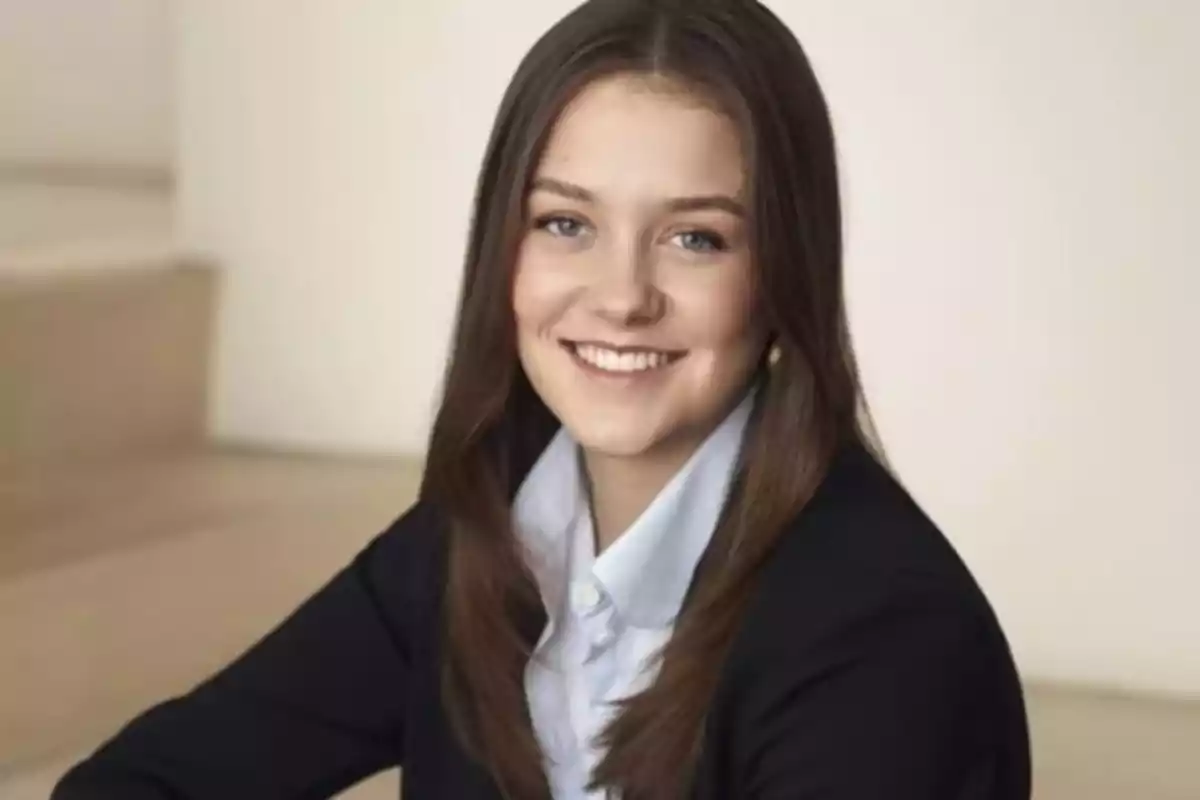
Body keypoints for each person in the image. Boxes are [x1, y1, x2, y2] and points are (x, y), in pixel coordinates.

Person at [53, 0, 1031, 798]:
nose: (621, 294)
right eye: (566, 222)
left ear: (784, 275)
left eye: (695, 238)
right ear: (502, 253)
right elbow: (149, 781)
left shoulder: (883, 635)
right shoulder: (482, 530)